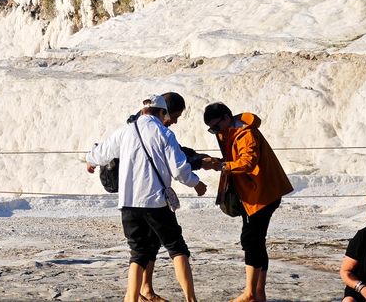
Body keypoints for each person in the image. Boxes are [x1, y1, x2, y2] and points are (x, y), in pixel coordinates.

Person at [87, 94, 207, 302]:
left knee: (138, 254)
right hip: (155, 202)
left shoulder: (125, 131)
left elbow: (101, 153)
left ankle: (131, 299)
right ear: (162, 112)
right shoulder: (164, 133)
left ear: (143, 111)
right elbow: (178, 169)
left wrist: (90, 160)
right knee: (177, 248)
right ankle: (191, 300)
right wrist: (196, 183)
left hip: (128, 203)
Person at [202, 103, 293, 302]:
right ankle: (259, 292)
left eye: (216, 126)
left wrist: (223, 166)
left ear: (227, 117)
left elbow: (247, 162)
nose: (215, 132)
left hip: (261, 195)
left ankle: (250, 293)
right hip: (253, 194)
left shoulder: (246, 134)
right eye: (212, 129)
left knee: (251, 240)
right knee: (256, 240)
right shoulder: (230, 132)